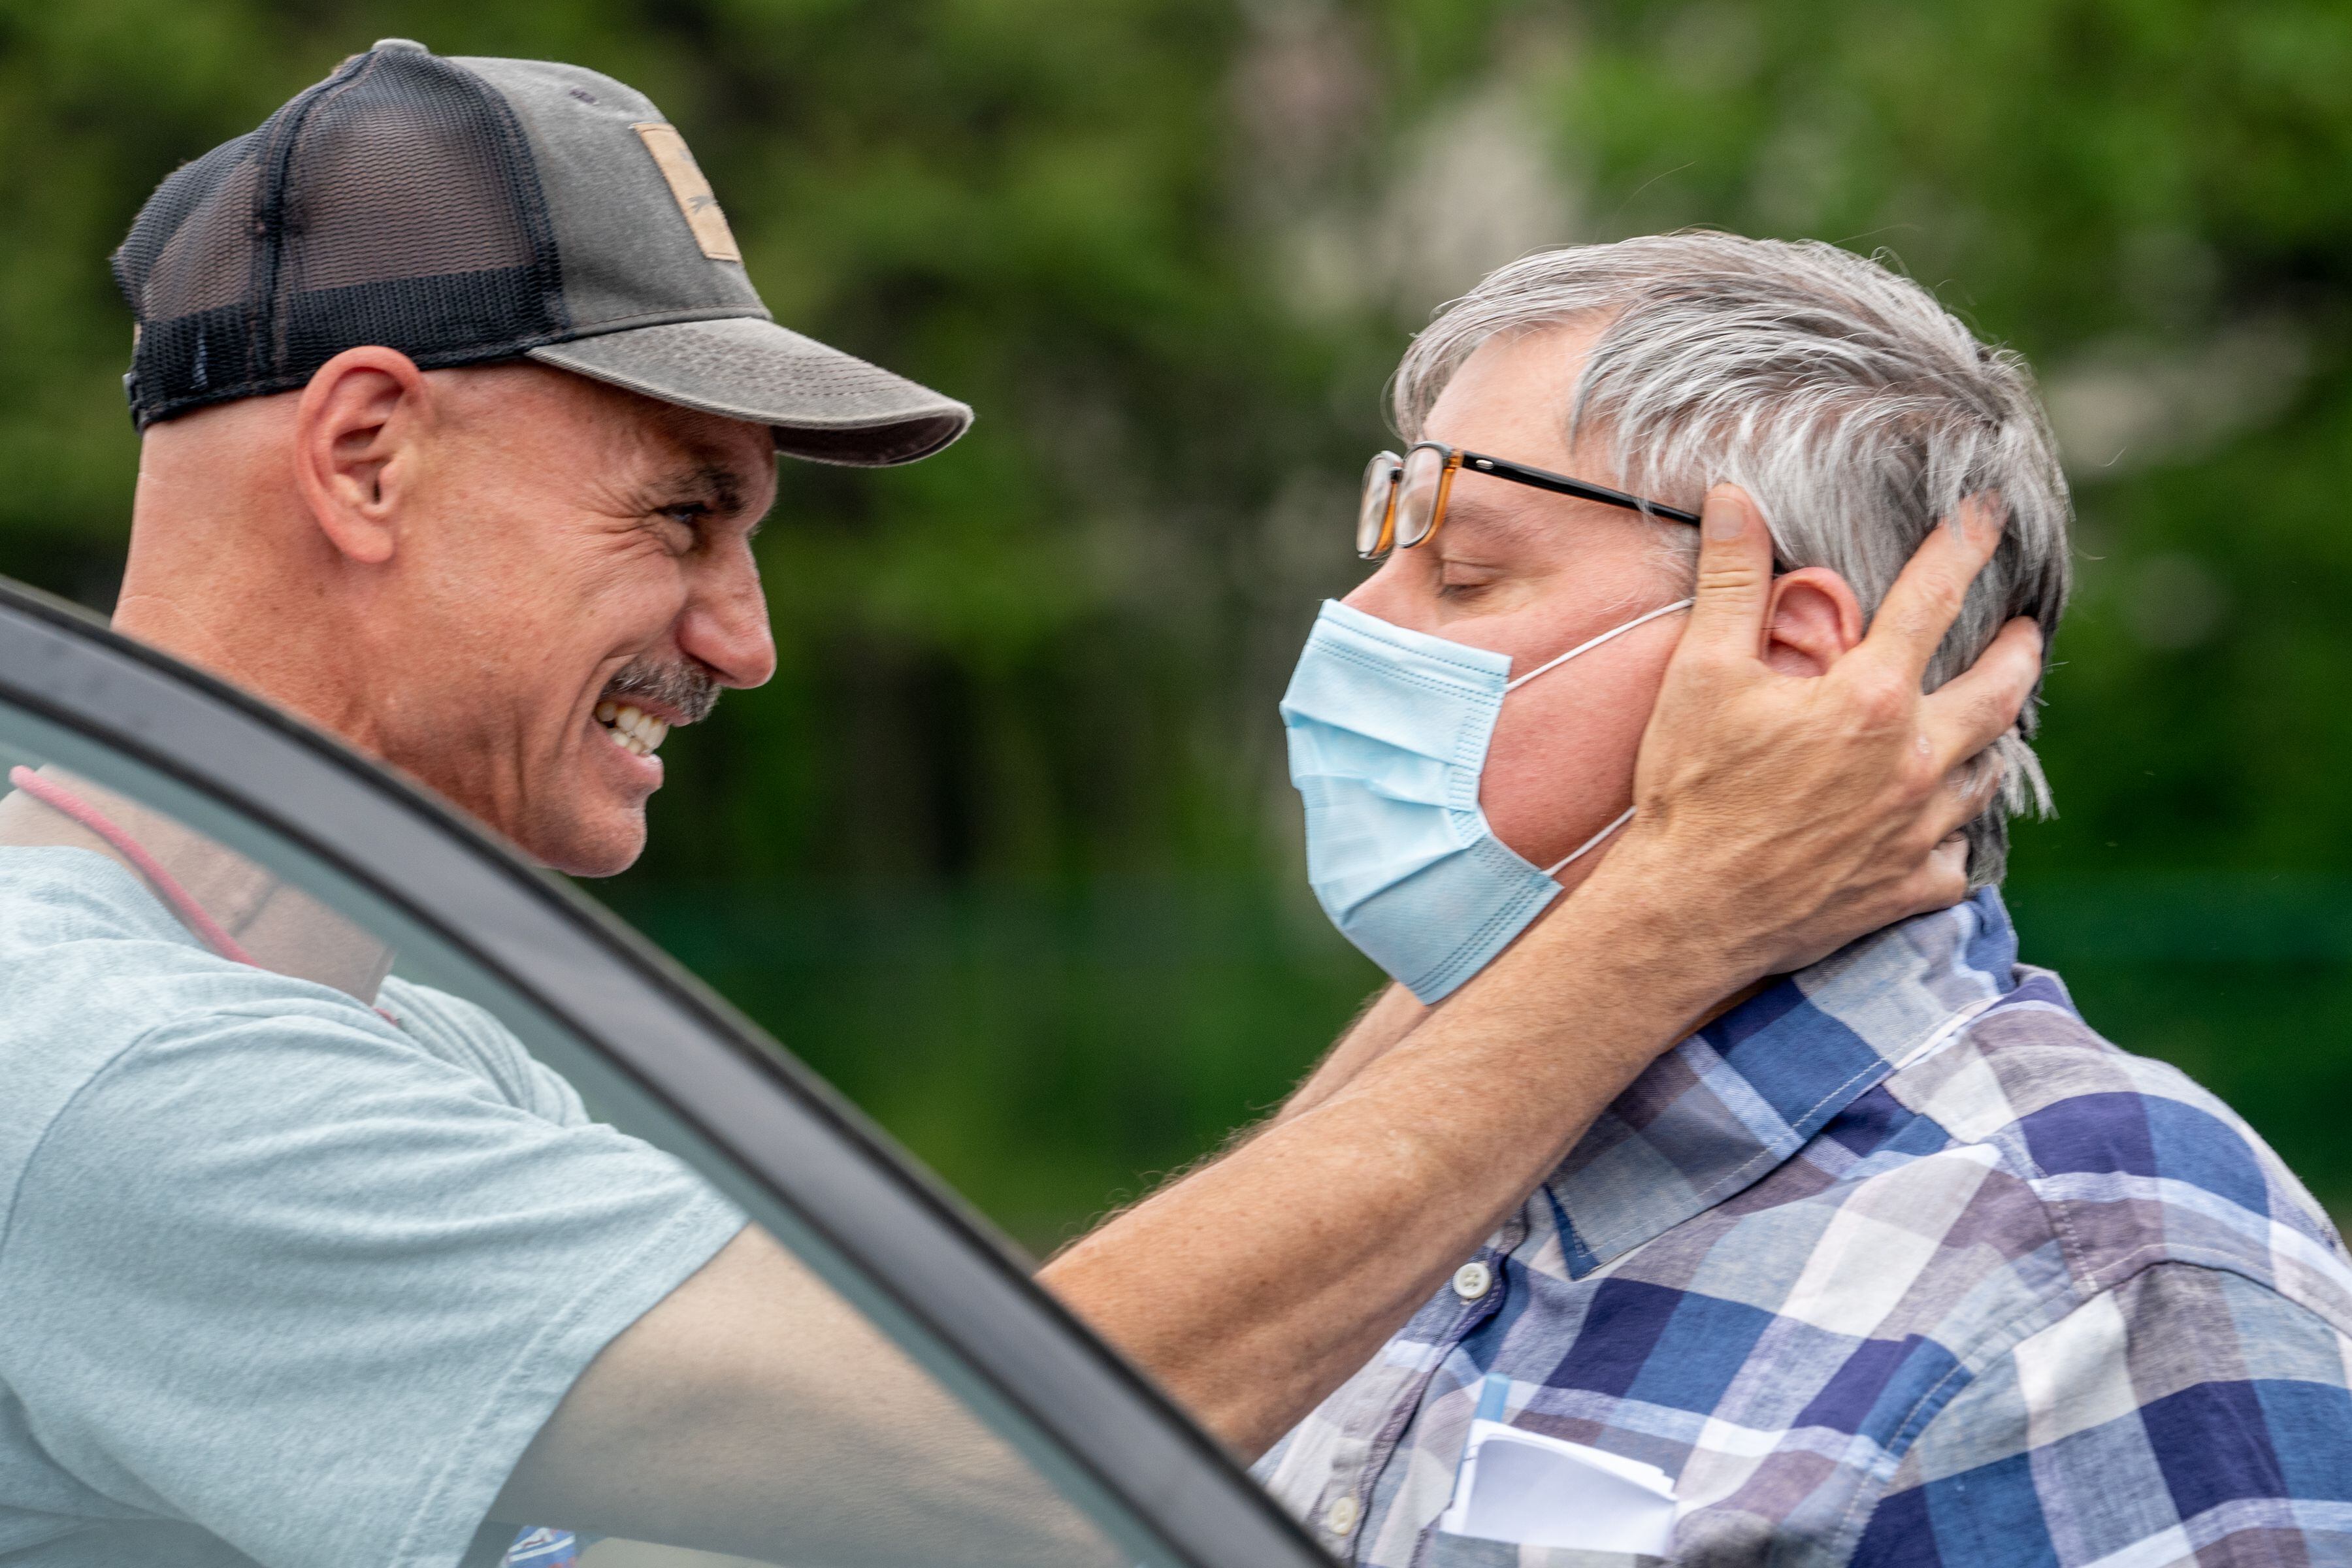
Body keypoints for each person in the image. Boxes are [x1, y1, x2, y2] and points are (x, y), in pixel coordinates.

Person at [0, 42, 2042, 1568]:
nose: (745, 641)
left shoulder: (369, 1036)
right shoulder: (115, 1076)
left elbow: (898, 1442)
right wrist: (1668, 914)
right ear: (365, 455)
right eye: (683, 515)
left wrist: (1577, 901)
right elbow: (1002, 1446)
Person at [1247, 234, 2352, 1566]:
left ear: (1790, 658)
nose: (1361, 615)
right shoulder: (1446, 1185)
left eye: (1466, 571)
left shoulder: (2098, 1263)